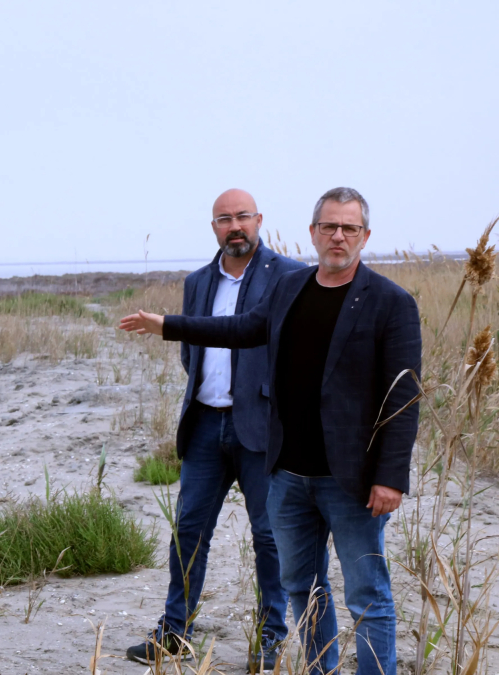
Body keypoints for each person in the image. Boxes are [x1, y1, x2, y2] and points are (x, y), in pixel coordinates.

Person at [119, 187, 421, 675]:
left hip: (352, 480)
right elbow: (240, 329)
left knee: (367, 594)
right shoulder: (291, 288)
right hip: (288, 476)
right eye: (329, 227)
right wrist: (168, 325)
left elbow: (404, 398)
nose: (338, 236)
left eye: (349, 228)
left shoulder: (391, 302)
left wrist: (390, 476)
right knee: (303, 587)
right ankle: (322, 668)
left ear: (365, 235)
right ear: (313, 233)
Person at [124, 189, 303, 671]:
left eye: (243, 216)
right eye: (225, 219)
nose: (235, 226)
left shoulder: (287, 275)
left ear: (259, 220)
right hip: (204, 424)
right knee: (188, 531)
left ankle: (271, 637)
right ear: (214, 228)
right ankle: (174, 633)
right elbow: (192, 351)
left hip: (262, 428)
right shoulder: (198, 281)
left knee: (269, 536)